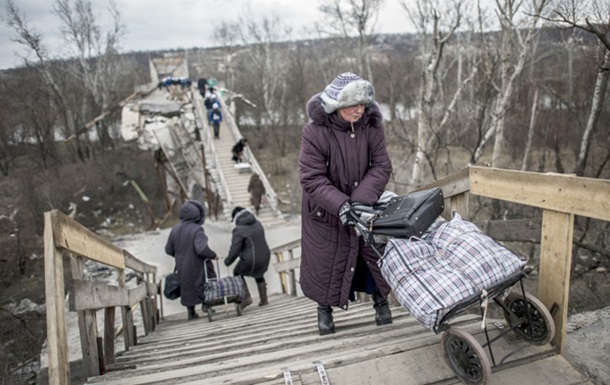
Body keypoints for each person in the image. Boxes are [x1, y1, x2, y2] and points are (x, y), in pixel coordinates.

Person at [298, 72, 394, 335]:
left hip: (363, 207)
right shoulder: (314, 132)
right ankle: (324, 310)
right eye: (354, 105)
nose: (360, 110)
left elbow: (382, 165)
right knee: (326, 261)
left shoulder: (372, 126)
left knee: (371, 255)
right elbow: (311, 177)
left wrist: (360, 202)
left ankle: (381, 303)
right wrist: (341, 205)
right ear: (336, 105)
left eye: (363, 104)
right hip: (325, 211)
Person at [164, 200, 218, 320]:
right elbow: (201, 249)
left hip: (182, 265)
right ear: (197, 214)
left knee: (186, 286)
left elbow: (168, 249)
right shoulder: (197, 229)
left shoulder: (175, 229)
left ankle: (191, 312)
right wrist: (213, 255)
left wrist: (179, 255)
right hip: (198, 264)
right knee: (205, 280)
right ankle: (206, 305)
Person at [224, 206, 271, 307]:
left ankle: (246, 298)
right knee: (259, 274)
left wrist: (228, 261)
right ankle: (264, 299)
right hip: (265, 256)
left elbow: (235, 249)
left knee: (237, 272)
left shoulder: (238, 230)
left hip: (251, 259)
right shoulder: (257, 223)